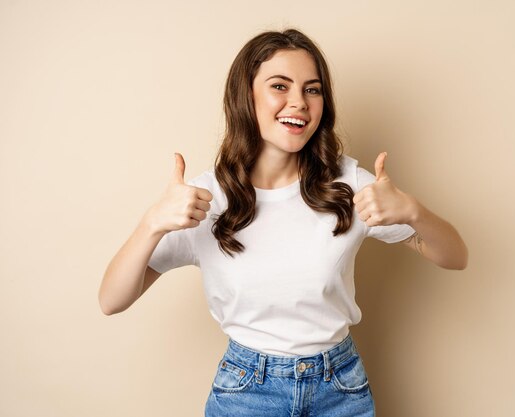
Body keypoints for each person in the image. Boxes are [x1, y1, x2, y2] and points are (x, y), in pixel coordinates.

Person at [99, 28, 467, 417]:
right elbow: (111, 300)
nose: (300, 103)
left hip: (340, 389)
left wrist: (413, 212)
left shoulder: (349, 185)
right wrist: (152, 223)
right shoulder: (205, 199)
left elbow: (455, 256)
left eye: (312, 89)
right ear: (246, 97)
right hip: (246, 392)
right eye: (280, 85)